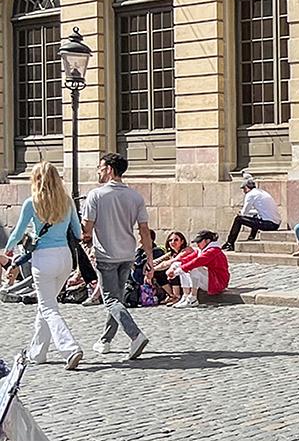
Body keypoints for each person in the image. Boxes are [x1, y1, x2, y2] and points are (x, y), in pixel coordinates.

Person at [0, 162, 84, 370]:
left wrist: (9, 250)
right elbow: (78, 233)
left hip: (43, 259)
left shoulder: (32, 202)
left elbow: (18, 232)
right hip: (65, 258)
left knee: (48, 307)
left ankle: (70, 348)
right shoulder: (67, 201)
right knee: (46, 305)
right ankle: (37, 352)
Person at [81, 152, 152, 360]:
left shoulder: (96, 195)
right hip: (127, 253)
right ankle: (105, 340)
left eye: (101, 168)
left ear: (110, 169)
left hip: (106, 254)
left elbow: (86, 230)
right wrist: (148, 257)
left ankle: (136, 335)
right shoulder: (135, 197)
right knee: (117, 299)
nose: (99, 172)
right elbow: (144, 230)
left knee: (111, 300)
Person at [168, 230, 230, 308]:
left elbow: (197, 262)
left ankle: (193, 298)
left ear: (207, 241)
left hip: (218, 282)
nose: (197, 244)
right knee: (183, 266)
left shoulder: (213, 250)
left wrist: (176, 272)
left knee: (194, 268)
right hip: (210, 280)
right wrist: (173, 267)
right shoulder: (202, 251)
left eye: (199, 241)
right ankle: (186, 296)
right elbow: (186, 260)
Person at [222, 172, 281, 250]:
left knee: (238, 219)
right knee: (255, 216)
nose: (243, 191)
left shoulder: (250, 195)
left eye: (243, 189)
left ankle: (230, 243)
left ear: (246, 187)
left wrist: (240, 213)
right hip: (275, 223)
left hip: (269, 225)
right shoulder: (259, 192)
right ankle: (251, 237)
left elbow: (244, 213)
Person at [152, 231, 195, 305]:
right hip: (183, 275)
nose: (172, 242)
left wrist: (153, 268)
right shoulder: (172, 253)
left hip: (192, 274)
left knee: (174, 268)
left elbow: (171, 261)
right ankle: (171, 295)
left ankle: (177, 296)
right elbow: (158, 261)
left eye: (176, 240)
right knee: (158, 273)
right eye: (170, 240)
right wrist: (150, 267)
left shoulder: (187, 250)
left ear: (182, 241)